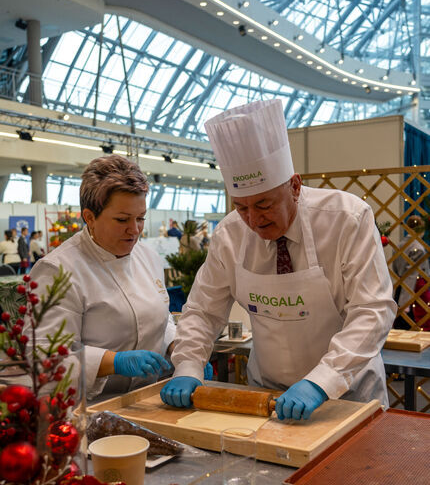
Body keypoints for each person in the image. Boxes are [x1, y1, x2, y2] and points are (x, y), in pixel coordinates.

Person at [161, 99, 396, 420]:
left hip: (347, 394)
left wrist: (320, 381)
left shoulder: (347, 219)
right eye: (242, 207)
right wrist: (188, 366)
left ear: (295, 186)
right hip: (267, 395)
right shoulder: (230, 235)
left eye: (264, 204)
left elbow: (372, 310)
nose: (254, 220)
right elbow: (203, 310)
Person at [27, 155, 176, 400]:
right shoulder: (58, 270)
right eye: (122, 219)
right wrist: (112, 361)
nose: (135, 230)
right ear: (89, 217)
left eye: (140, 218)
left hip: (148, 398)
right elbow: (44, 355)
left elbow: (161, 316)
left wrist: (176, 347)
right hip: (92, 406)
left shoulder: (147, 256)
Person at [392, 215, 430, 329]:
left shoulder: (398, 245)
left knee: (400, 325)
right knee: (418, 323)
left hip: (400, 286)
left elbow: (395, 267)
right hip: (415, 289)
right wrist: (405, 303)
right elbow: (411, 275)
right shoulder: (418, 247)